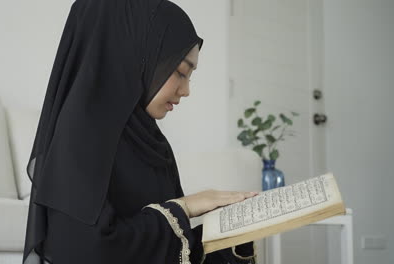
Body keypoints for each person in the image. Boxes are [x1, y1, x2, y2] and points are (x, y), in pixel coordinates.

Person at [22, 0, 258, 263]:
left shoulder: (151, 143)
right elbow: (87, 250)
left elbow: (165, 247)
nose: (186, 90)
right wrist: (185, 207)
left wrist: (232, 233)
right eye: (180, 71)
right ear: (133, 57)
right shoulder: (77, 142)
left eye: (190, 76)